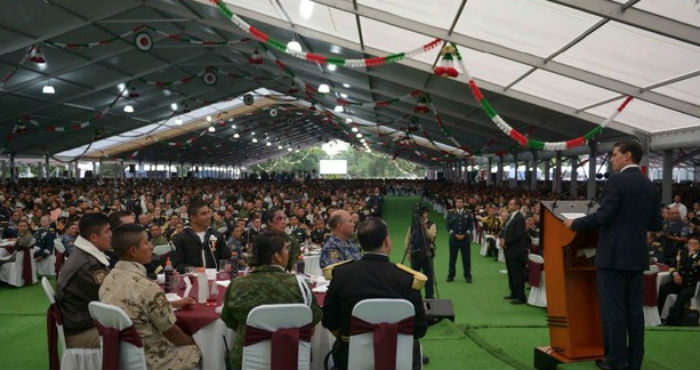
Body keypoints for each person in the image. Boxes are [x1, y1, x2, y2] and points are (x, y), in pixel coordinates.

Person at [565, 140, 662, 370]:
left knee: (614, 311)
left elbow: (604, 216)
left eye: (615, 155)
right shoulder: (650, 186)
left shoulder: (616, 181)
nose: (611, 159)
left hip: (613, 257)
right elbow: (656, 223)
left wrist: (574, 223)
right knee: (634, 313)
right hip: (637, 257)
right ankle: (634, 361)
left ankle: (617, 361)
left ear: (627, 156)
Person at [322, 217, 427, 370]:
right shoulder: (407, 279)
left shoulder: (341, 274)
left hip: (349, 358)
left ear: (360, 243)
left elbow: (329, 320)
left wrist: (353, 338)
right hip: (397, 357)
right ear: (386, 241)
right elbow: (419, 329)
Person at [100, 224, 201, 370]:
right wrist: (195, 342)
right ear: (133, 251)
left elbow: (134, 306)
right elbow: (173, 333)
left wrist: (174, 303)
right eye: (146, 242)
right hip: (155, 360)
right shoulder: (147, 288)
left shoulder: (108, 280)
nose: (151, 246)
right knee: (204, 350)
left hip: (120, 355)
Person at [220, 231, 322, 370]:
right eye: (286, 248)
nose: (288, 252)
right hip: (293, 358)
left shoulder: (237, 285)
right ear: (277, 257)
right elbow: (312, 323)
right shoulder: (300, 286)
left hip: (246, 361)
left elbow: (230, 321)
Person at [55, 213, 112, 348]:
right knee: (138, 334)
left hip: (80, 322)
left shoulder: (83, 254)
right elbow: (110, 297)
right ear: (93, 237)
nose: (111, 234)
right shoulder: (88, 265)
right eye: (107, 231)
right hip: (81, 331)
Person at [171, 200, 230, 273]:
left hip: (216, 280)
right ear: (193, 218)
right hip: (191, 281)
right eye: (203, 214)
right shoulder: (180, 238)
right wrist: (198, 270)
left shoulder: (217, 235)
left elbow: (226, 259)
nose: (208, 216)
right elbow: (177, 266)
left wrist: (227, 266)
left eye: (208, 212)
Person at [657, 236, 700, 325]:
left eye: (695, 244)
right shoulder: (681, 253)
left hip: (692, 285)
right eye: (690, 243)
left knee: (682, 295)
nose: (692, 245)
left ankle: (671, 320)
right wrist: (675, 274)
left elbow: (690, 269)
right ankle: (659, 317)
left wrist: (691, 257)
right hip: (678, 282)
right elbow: (672, 266)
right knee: (662, 289)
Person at [500, 198, 528, 304]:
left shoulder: (520, 218)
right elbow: (505, 230)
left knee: (517, 274)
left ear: (517, 206)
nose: (509, 205)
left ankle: (521, 296)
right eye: (509, 203)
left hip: (516, 250)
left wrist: (506, 242)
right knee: (511, 272)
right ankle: (513, 292)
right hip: (509, 249)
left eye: (511, 204)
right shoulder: (510, 216)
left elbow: (518, 235)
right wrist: (503, 239)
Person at [404, 207, 437, 299]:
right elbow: (408, 239)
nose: (421, 215)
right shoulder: (413, 225)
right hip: (415, 253)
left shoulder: (432, 224)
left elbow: (432, 236)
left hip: (427, 254)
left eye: (423, 213)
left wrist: (424, 228)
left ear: (427, 214)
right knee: (414, 277)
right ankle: (415, 296)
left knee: (429, 277)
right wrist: (408, 252)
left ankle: (429, 296)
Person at [446, 197, 473, 283]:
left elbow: (470, 227)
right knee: (452, 258)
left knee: (466, 259)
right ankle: (451, 275)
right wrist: (455, 234)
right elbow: (448, 227)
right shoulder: (451, 213)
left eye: (460, 202)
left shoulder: (468, 213)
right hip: (454, 239)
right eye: (457, 202)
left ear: (463, 203)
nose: (458, 204)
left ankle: (467, 275)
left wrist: (465, 235)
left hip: (465, 240)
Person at [266, 207, 299, 271]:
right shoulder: (261, 240)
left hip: (285, 277)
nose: (283, 222)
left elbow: (294, 266)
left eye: (284, 219)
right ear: (270, 222)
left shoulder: (292, 241)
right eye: (279, 219)